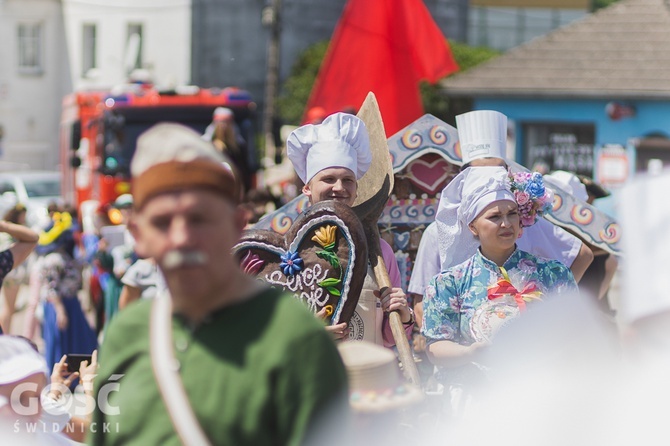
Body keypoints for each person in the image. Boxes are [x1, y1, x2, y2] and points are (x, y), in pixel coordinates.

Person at [90, 123, 348, 445]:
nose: (182, 238)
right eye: (162, 222)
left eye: (200, 219)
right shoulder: (126, 335)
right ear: (138, 235)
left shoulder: (296, 340)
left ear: (237, 225)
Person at [422, 167, 578, 418]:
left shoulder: (553, 273)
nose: (506, 223)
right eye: (495, 217)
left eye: (512, 214)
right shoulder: (450, 283)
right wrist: (468, 353)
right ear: (472, 226)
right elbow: (435, 346)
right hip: (475, 404)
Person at [286, 112, 414, 346]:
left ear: (356, 190)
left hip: (371, 378)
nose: (339, 187)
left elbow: (390, 339)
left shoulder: (379, 253)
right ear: (307, 188)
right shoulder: (288, 252)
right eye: (328, 179)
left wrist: (403, 314)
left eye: (348, 180)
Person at [436, 110, 593, 282]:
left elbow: (582, 254)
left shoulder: (523, 223)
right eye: (479, 172)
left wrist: (555, 300)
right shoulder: (440, 232)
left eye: (497, 170)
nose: (490, 179)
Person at [34, 211, 98, 373]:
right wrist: (60, 310)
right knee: (61, 344)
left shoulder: (63, 256)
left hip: (71, 303)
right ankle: (62, 378)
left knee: (79, 342)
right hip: (60, 305)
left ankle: (77, 375)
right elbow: (51, 288)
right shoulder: (53, 260)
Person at [0, 205, 39, 333]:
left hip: (13, 272)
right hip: (12, 274)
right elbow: (32, 238)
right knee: (9, 308)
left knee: (9, 308)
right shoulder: (2, 261)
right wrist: (4, 226)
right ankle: (6, 335)